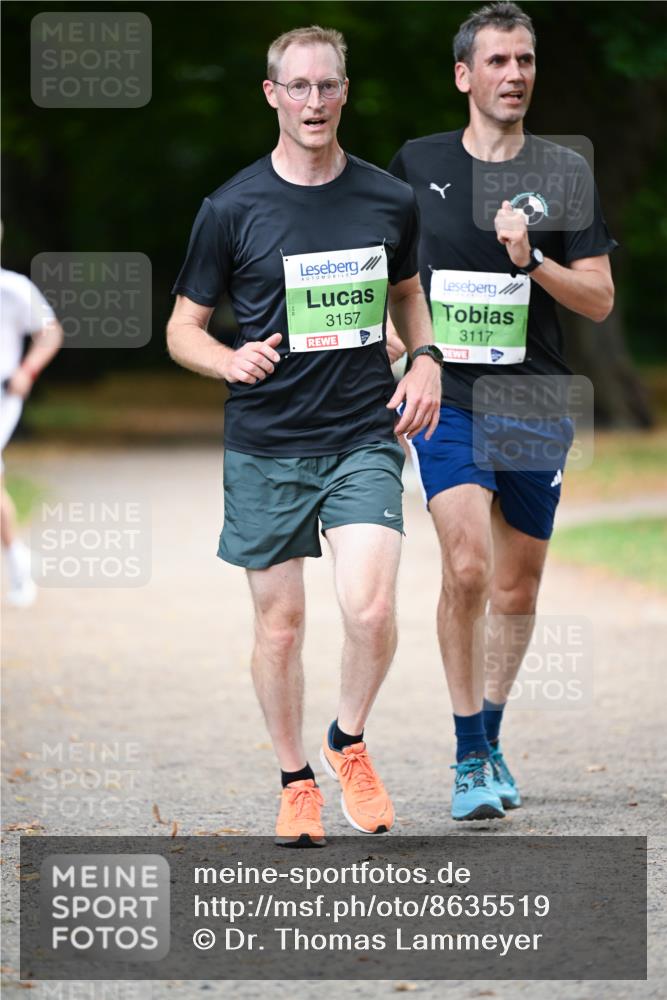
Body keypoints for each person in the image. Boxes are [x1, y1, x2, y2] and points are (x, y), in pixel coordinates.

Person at [167, 26, 442, 846]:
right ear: (272, 95)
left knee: (371, 606)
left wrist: (423, 356)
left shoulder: (386, 200)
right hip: (266, 441)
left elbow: (408, 295)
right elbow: (182, 329)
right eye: (298, 87)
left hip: (361, 429)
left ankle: (347, 740)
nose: (314, 101)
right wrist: (226, 358)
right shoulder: (230, 208)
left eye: (328, 86)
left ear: (344, 93)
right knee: (280, 627)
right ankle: (295, 780)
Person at [387, 2, 616, 821]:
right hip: (445, 395)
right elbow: (385, 280)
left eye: (523, 61)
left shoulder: (563, 172)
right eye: (496, 61)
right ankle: (464, 756)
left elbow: (596, 299)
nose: (513, 74)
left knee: (515, 590)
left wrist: (533, 260)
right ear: (464, 75)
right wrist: (404, 350)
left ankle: (488, 736)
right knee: (466, 567)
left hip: (534, 396)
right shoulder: (415, 164)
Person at [1, 234, 64, 608]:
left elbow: (50, 332)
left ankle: (16, 561)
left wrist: (28, 371)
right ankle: (18, 556)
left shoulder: (14, 289)